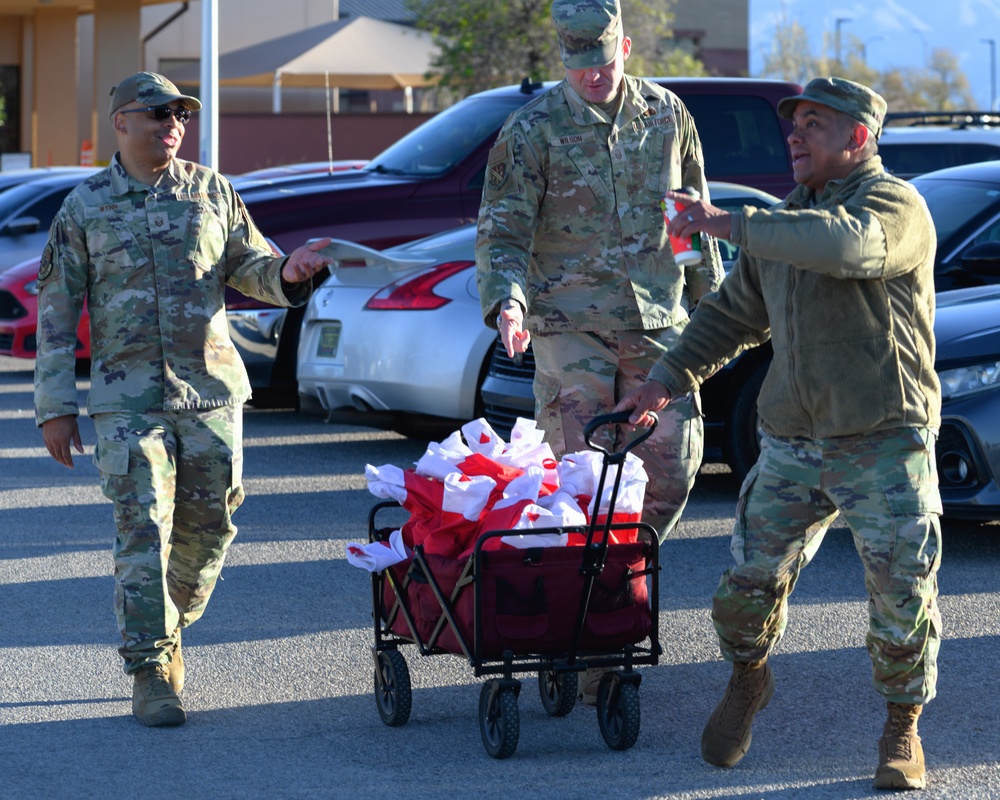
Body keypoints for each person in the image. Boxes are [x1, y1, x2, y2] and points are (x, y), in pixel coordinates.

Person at [614, 77, 941, 790]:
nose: (794, 135)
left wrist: (728, 224)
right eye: (793, 124)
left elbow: (851, 249)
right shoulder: (787, 219)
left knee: (900, 597)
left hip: (882, 438)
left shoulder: (894, 207)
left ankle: (901, 726)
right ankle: (749, 678)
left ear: (858, 137)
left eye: (814, 125)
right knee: (742, 593)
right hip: (792, 439)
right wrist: (664, 381)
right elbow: (732, 316)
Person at [34, 72, 334, 728]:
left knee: (211, 530)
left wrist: (291, 272)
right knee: (141, 524)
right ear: (121, 122)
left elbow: (253, 267)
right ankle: (149, 668)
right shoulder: (84, 206)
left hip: (212, 393)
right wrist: (55, 405)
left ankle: (167, 627)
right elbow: (57, 310)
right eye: (158, 113)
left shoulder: (213, 192)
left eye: (181, 114)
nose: (173, 123)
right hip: (127, 398)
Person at [476, 0, 723, 581]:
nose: (592, 74)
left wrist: (713, 306)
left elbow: (692, 218)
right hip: (570, 324)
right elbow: (503, 227)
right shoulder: (532, 129)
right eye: (579, 62)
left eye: (603, 61)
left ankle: (621, 575)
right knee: (579, 472)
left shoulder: (666, 115)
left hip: (658, 320)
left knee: (673, 466)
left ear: (626, 50)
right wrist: (506, 301)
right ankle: (580, 620)